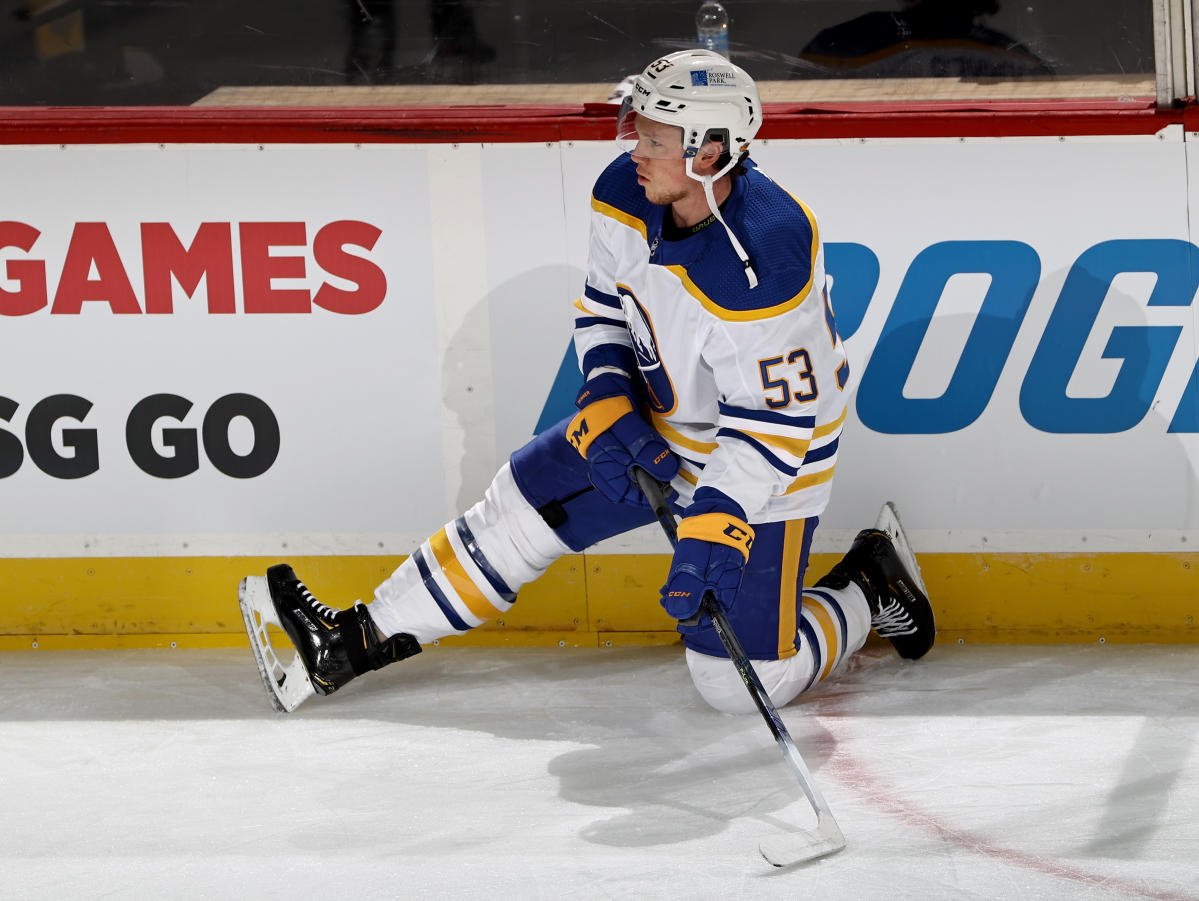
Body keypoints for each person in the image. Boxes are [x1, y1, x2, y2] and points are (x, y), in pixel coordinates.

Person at [239, 49, 936, 716]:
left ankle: (866, 584)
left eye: (653, 137)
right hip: (660, 421)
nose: (633, 147)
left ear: (710, 151)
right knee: (514, 507)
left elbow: (776, 426)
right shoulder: (623, 191)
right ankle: (349, 643)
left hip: (769, 460)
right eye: (636, 127)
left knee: (736, 686)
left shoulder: (767, 256)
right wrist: (607, 391)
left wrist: (718, 522)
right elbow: (604, 305)